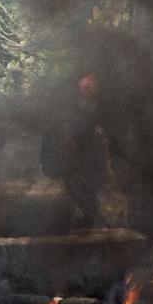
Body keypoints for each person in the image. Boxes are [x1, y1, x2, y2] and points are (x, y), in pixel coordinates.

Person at [60, 73, 111, 228]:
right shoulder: (74, 106)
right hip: (79, 152)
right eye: (84, 87)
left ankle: (93, 218)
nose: (87, 90)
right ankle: (90, 216)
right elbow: (71, 129)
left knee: (93, 186)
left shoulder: (103, 106)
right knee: (73, 184)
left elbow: (107, 129)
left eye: (90, 86)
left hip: (95, 153)